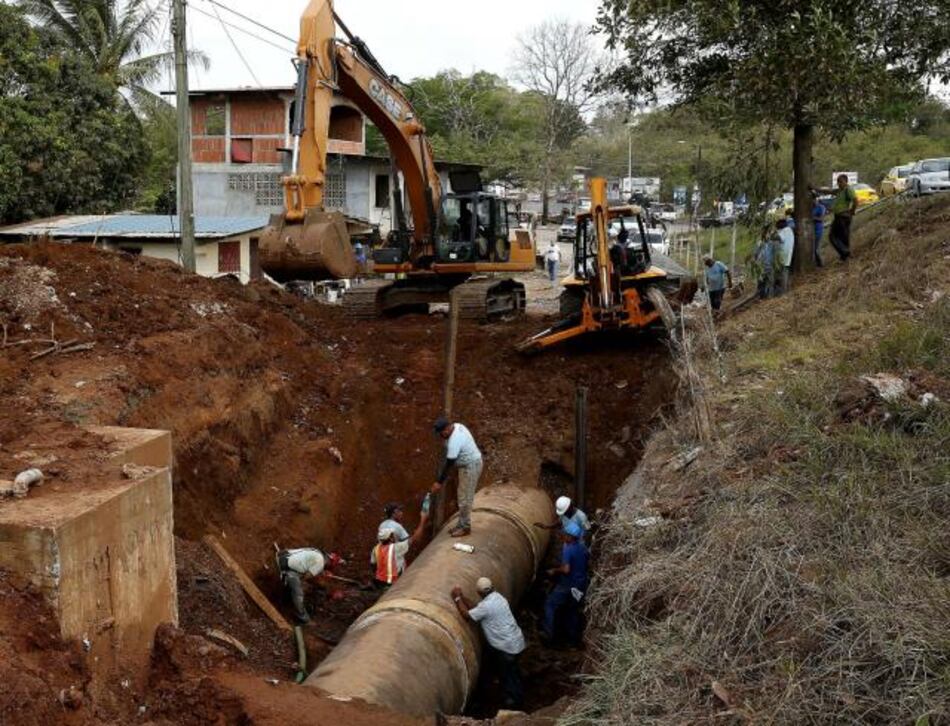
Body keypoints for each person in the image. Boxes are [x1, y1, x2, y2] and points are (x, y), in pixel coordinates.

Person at [451, 577, 525, 710]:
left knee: (508, 674)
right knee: (511, 670)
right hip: (515, 641)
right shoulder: (498, 598)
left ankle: (515, 702)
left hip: (505, 646)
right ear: (492, 588)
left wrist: (457, 598)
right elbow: (478, 608)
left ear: (479, 593)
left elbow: (467, 615)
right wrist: (463, 597)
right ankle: (513, 691)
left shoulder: (486, 607)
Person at [431, 417, 483, 537]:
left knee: (465, 498)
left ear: (447, 429)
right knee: (461, 496)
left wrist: (439, 482)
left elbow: (449, 464)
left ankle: (465, 527)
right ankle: (461, 523)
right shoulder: (458, 425)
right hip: (466, 466)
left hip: (471, 467)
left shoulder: (454, 441)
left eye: (441, 432)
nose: (440, 435)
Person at [541, 521, 589, 647]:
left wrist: (554, 570)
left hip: (567, 584)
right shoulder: (583, 547)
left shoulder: (568, 548)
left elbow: (566, 569)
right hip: (580, 585)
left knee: (550, 605)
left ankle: (549, 636)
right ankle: (573, 641)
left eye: (565, 533)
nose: (563, 535)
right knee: (572, 610)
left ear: (570, 536)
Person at [276, 547, 342, 623]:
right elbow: (306, 577)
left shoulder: (318, 552)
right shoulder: (320, 564)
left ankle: (287, 593)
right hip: (286, 566)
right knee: (299, 593)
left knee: (298, 581)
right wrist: (316, 578)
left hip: (284, 555)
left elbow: (308, 565)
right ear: (330, 563)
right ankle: (302, 617)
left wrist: (319, 573)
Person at [371, 504, 429, 588]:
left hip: (381, 579)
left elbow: (373, 565)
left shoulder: (376, 546)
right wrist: (423, 520)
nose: (402, 513)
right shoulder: (397, 536)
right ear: (394, 513)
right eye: (399, 511)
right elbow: (414, 540)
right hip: (394, 578)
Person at [827, 174, 857, 261]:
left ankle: (845, 252)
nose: (839, 183)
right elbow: (828, 191)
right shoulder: (839, 191)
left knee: (832, 236)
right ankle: (845, 256)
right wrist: (815, 188)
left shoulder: (848, 190)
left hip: (843, 217)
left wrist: (852, 211)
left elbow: (855, 200)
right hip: (840, 216)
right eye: (838, 182)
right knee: (844, 236)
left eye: (841, 181)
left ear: (846, 181)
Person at [775, 219, 795, 295]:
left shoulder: (784, 231)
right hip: (788, 254)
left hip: (783, 254)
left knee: (783, 273)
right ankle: (787, 289)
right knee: (786, 271)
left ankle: (783, 291)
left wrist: (772, 235)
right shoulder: (789, 230)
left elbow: (780, 238)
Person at [812, 193, 827, 267]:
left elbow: (821, 219)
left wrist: (813, 218)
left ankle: (821, 264)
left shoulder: (821, 207)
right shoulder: (811, 208)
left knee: (817, 248)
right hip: (812, 230)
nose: (813, 201)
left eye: (814, 199)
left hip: (818, 229)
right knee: (813, 248)